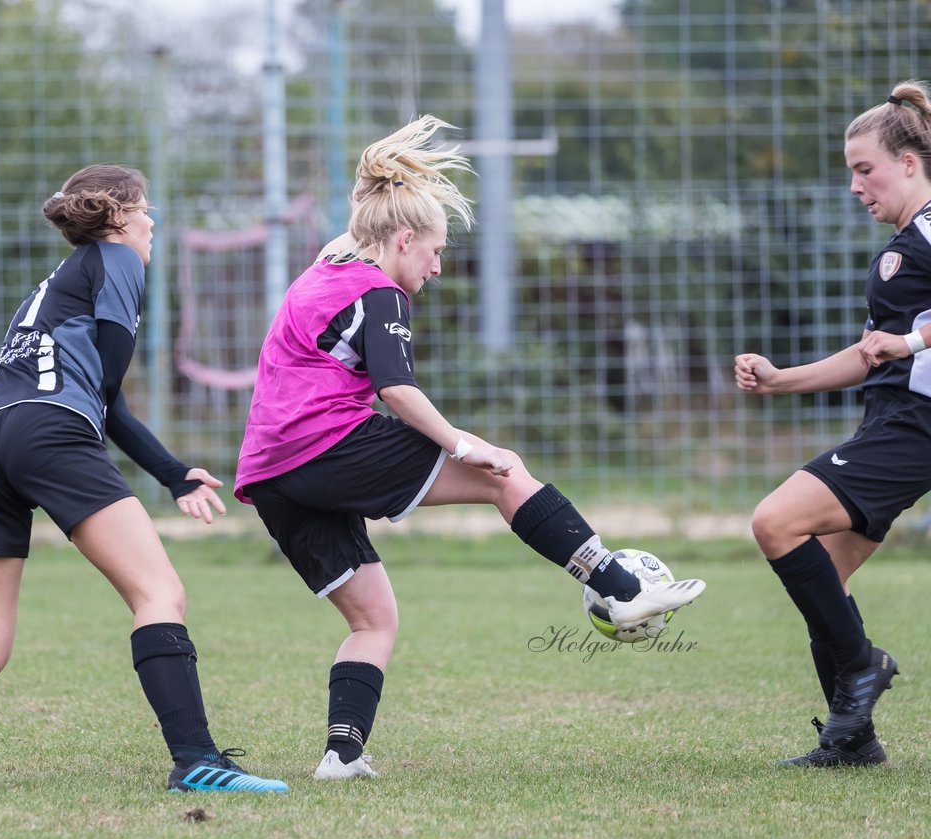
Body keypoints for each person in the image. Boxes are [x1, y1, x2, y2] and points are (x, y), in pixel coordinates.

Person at [234, 116, 708, 781]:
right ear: (402, 240)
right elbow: (397, 391)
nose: (436, 263)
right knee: (502, 471)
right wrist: (461, 443)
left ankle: (342, 756)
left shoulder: (324, 273)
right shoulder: (381, 293)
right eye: (434, 248)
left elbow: (354, 239)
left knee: (374, 619)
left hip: (272, 475)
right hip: (326, 445)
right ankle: (621, 588)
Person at [0, 164, 287, 794]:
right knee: (159, 595)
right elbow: (107, 394)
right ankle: (197, 760)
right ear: (117, 216)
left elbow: (102, 397)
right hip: (50, 430)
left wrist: (173, 475)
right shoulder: (117, 259)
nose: (153, 222)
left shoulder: (53, 285)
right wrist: (172, 475)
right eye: (145, 208)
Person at [735, 80, 931, 768]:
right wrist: (784, 378)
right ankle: (854, 740)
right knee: (827, 582)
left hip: (916, 428)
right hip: (896, 420)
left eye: (864, 168)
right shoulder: (907, 244)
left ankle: (866, 669)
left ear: (909, 162)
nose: (855, 185)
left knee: (775, 522)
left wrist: (910, 344)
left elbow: (897, 347)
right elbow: (867, 351)